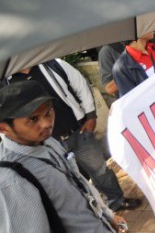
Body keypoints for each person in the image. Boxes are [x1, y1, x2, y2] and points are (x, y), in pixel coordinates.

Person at [7, 59, 141, 212]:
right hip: (49, 145)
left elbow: (80, 85)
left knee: (100, 171)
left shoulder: (53, 64)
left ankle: (116, 201)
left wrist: (90, 115)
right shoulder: (7, 84)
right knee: (67, 183)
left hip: (79, 132)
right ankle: (90, 213)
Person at [0, 81, 127, 232]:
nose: (46, 124)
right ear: (4, 128)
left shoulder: (47, 140)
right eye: (33, 119)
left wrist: (107, 216)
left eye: (48, 112)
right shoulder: (12, 181)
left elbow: (79, 182)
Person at [112, 31, 155, 96]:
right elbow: (132, 98)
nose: (151, 28)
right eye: (145, 26)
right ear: (135, 30)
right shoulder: (121, 67)